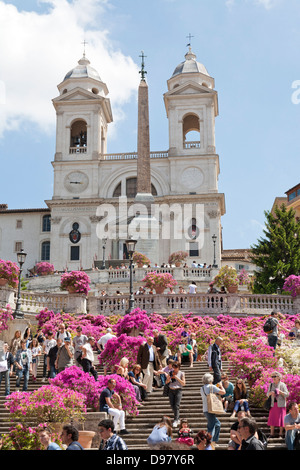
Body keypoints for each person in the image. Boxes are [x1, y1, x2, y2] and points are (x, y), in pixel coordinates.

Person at [200, 372, 226, 447]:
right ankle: (209, 443)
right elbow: (223, 392)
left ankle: (214, 441)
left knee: (217, 424)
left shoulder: (201, 388)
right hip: (211, 409)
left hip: (205, 409)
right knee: (211, 427)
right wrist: (221, 386)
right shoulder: (212, 387)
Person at [266, 371, 289, 438]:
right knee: (272, 419)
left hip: (281, 404)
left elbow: (287, 394)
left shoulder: (283, 385)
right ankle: (271, 434)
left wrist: (280, 392)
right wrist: (271, 393)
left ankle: (281, 434)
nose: (273, 378)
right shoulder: (271, 385)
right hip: (273, 404)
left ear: (279, 377)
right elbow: (267, 394)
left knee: (282, 419)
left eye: (274, 376)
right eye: (272, 377)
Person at [165, 361, 186, 428]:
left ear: (179, 367)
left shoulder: (182, 373)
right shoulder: (170, 373)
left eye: (176, 367)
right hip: (171, 390)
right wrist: (168, 379)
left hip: (178, 390)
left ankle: (176, 419)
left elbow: (183, 383)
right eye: (173, 367)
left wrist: (177, 378)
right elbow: (166, 382)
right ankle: (178, 417)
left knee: (176, 405)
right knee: (172, 405)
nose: (174, 369)